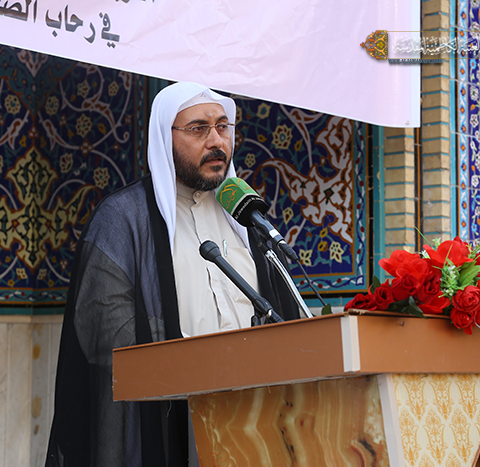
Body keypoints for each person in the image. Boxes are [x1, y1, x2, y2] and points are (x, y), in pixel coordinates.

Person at [45, 82, 302, 467]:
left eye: (223, 127)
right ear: (164, 138)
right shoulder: (124, 219)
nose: (216, 141)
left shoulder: (247, 218)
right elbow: (104, 334)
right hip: (173, 426)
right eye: (198, 129)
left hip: (259, 418)